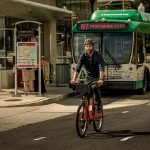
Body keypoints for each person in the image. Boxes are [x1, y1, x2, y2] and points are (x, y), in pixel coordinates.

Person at [70, 39, 105, 112]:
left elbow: (101, 68)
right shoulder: (83, 56)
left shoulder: (98, 56)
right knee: (85, 92)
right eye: (86, 46)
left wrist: (101, 79)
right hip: (88, 77)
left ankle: (98, 104)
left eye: (89, 46)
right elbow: (77, 69)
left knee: (95, 88)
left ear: (93, 47)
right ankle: (86, 109)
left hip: (97, 77)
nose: (88, 48)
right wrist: (73, 79)